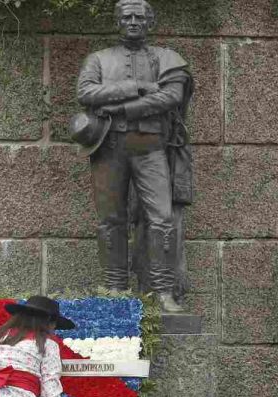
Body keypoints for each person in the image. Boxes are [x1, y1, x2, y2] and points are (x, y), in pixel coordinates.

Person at [75, 0, 192, 313]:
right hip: (108, 147)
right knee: (110, 219)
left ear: (150, 22)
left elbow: (171, 96)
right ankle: (114, 286)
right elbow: (85, 93)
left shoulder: (168, 58)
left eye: (140, 17)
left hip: (150, 147)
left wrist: (119, 107)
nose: (133, 22)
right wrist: (138, 86)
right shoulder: (98, 59)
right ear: (118, 22)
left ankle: (163, 290)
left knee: (162, 219)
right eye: (126, 17)